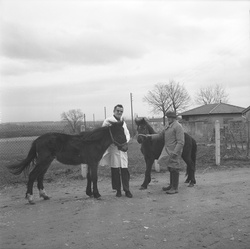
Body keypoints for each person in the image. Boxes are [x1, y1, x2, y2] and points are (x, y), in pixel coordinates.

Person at [145, 111, 185, 194]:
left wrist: (175, 152)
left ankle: (175, 188)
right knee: (170, 168)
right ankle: (171, 185)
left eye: (170, 117)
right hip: (167, 150)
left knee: (174, 168)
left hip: (174, 151)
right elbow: (160, 135)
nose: (168, 119)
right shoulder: (168, 126)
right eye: (168, 117)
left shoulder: (178, 126)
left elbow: (181, 142)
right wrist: (149, 136)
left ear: (174, 118)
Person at [100, 104, 133, 198]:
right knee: (115, 170)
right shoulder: (108, 121)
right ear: (114, 111)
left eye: (121, 111)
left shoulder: (123, 122)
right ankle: (118, 190)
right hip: (113, 148)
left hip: (123, 148)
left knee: (124, 170)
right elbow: (104, 134)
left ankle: (127, 190)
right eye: (118, 111)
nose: (119, 113)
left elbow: (127, 134)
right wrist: (115, 143)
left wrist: (124, 142)